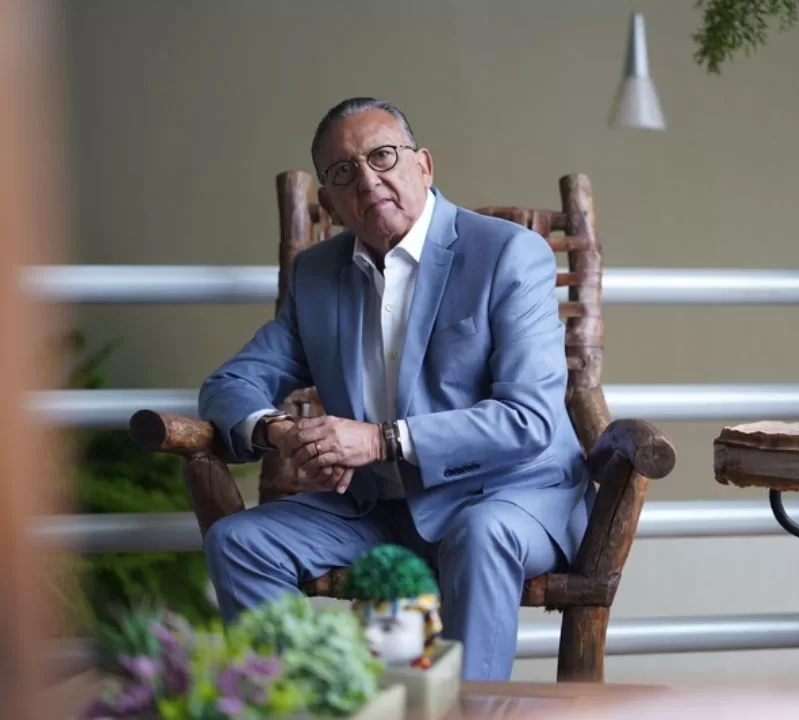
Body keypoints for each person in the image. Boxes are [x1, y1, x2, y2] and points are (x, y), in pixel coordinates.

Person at [199, 97, 593, 681]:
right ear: (329, 202)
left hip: (509, 496)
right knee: (239, 542)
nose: (367, 179)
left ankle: (467, 716)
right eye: (344, 172)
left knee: (479, 533)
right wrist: (280, 433)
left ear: (424, 165)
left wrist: (380, 440)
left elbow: (528, 418)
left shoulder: (508, 253)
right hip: (377, 510)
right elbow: (230, 383)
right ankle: (305, 705)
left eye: (382, 156)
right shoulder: (316, 274)